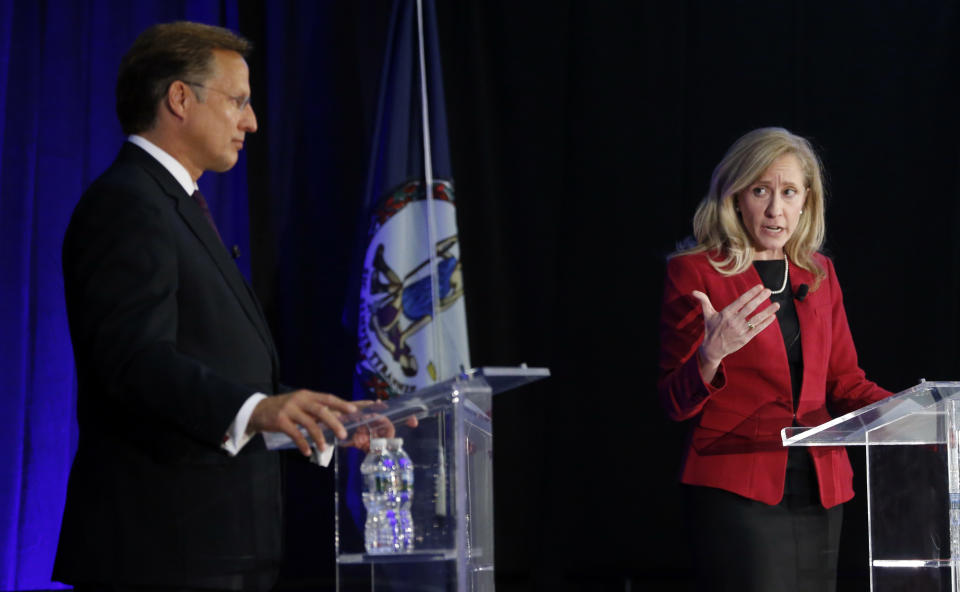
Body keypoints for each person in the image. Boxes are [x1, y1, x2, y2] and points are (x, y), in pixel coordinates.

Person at [53, 21, 381, 591]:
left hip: (215, 550)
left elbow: (214, 377)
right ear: (180, 98)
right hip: (160, 555)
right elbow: (134, 362)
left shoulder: (174, 207)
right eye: (238, 101)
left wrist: (309, 422)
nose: (250, 121)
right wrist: (258, 408)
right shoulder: (127, 205)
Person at [657, 127, 891, 591]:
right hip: (739, 491)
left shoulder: (819, 273)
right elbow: (674, 402)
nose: (774, 208)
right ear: (736, 197)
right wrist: (710, 354)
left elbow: (846, 383)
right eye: (760, 190)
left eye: (788, 192)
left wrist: (920, 416)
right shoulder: (696, 272)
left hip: (821, 492)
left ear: (807, 200)